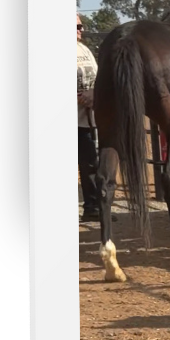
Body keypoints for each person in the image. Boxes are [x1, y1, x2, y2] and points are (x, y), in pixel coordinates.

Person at [77, 13, 101, 222]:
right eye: (77, 26)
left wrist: (94, 93)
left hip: (86, 118)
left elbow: (97, 77)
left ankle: (92, 206)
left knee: (90, 162)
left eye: (81, 26)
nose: (81, 29)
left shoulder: (84, 50)